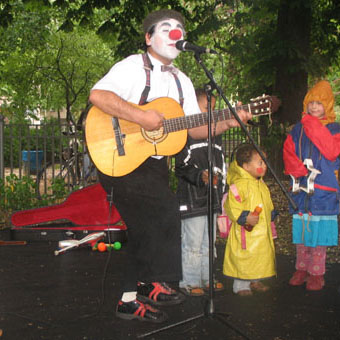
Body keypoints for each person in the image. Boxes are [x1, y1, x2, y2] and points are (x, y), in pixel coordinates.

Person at [89, 9, 252, 323]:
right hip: (116, 155)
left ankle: (128, 299)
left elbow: (194, 128)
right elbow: (98, 95)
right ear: (149, 38)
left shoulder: (182, 80)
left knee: (141, 230)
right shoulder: (133, 66)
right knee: (165, 209)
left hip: (153, 163)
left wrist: (230, 120)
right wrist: (142, 117)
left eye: (179, 28)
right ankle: (154, 281)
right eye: (166, 28)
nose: (175, 33)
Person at [283, 80, 340, 291]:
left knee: (319, 235)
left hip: (323, 191)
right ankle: (301, 268)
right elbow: (288, 149)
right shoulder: (298, 129)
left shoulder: (334, 129)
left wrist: (312, 124)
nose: (315, 107)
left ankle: (317, 272)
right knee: (302, 234)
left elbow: (331, 151)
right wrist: (295, 169)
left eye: (320, 103)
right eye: (311, 103)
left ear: (328, 105)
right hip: (301, 189)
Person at [175, 89, 226, 296]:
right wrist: (200, 176)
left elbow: (222, 162)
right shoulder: (184, 135)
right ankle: (189, 281)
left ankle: (208, 277)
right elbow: (180, 166)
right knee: (193, 242)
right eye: (205, 108)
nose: (209, 112)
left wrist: (220, 183)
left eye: (212, 109)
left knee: (208, 241)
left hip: (211, 198)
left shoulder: (216, 135)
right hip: (191, 198)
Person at [223, 143, 277, 296]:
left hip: (261, 229)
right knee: (245, 256)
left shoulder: (260, 183)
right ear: (246, 166)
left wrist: (271, 212)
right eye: (260, 162)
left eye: (265, 162)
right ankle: (241, 284)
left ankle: (255, 279)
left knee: (259, 255)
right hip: (246, 230)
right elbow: (231, 205)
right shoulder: (239, 185)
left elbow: (266, 200)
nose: (264, 166)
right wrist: (244, 217)